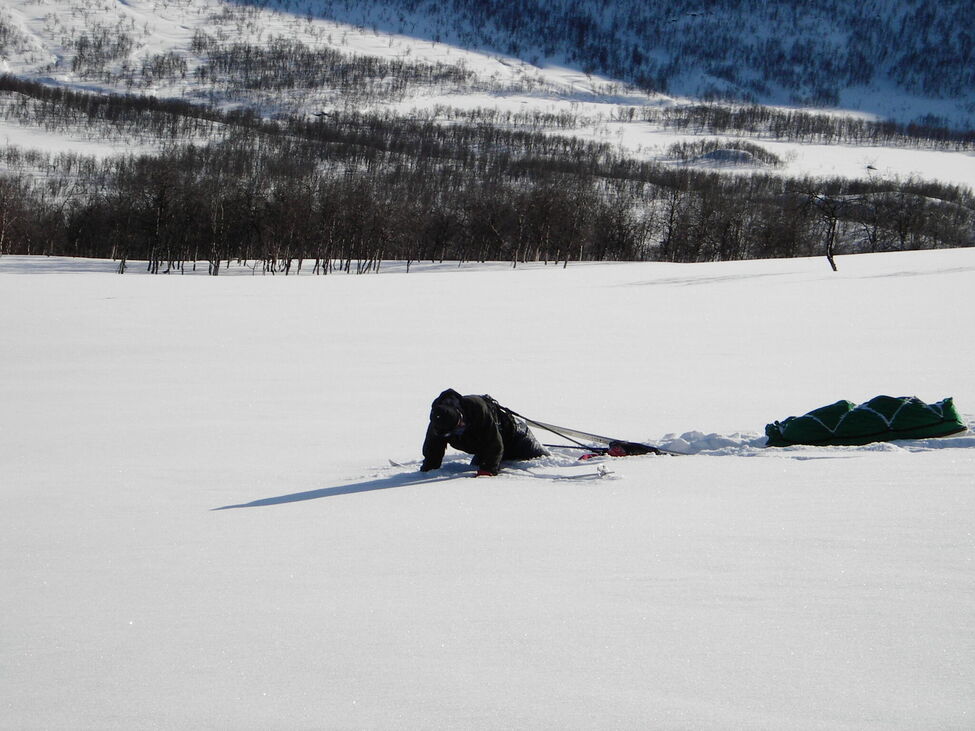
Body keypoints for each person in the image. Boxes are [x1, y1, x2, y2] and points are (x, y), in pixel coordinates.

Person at [420, 389, 547, 476]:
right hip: (484, 447)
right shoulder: (438, 423)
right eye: (457, 428)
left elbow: (495, 444)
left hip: (515, 437)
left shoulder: (477, 407)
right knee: (477, 465)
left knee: (542, 459)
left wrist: (488, 471)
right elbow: (433, 452)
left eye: (461, 422)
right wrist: (427, 471)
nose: (462, 425)